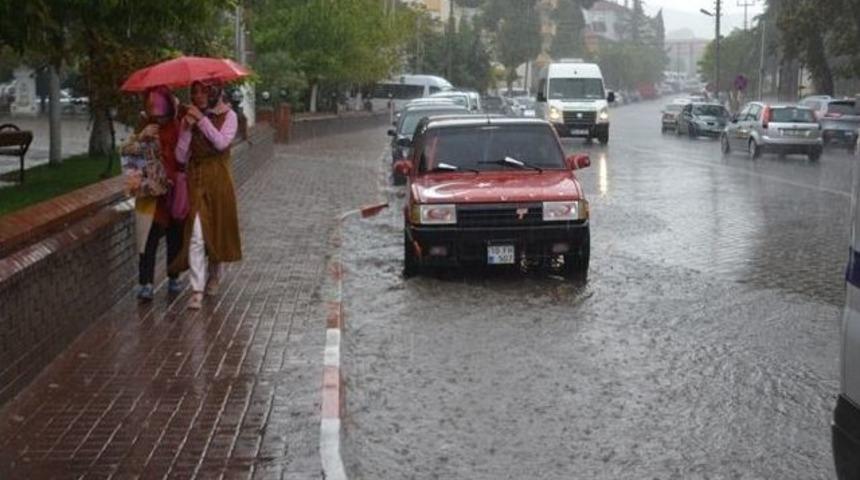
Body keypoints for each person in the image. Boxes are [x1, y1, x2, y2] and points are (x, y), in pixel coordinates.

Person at [173, 80, 242, 310]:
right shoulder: (189, 119)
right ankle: (196, 289)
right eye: (195, 92)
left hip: (219, 179)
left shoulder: (229, 116)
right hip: (196, 179)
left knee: (217, 228)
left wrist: (202, 121)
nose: (199, 96)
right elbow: (180, 156)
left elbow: (221, 143)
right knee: (196, 233)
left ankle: (214, 274)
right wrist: (186, 129)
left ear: (215, 92)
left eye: (204, 92)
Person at [120, 86, 184, 300]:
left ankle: (174, 276)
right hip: (150, 195)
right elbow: (127, 151)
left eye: (162, 115)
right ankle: (145, 282)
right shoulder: (144, 126)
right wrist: (142, 136)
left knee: (175, 236)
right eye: (155, 114)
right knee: (148, 239)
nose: (159, 119)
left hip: (173, 193)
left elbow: (183, 155)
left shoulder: (178, 126)